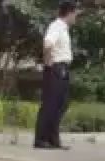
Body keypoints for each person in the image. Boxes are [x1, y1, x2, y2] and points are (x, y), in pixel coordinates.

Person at [35, 1, 78, 149]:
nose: (76, 17)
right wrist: (47, 60)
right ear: (70, 13)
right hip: (56, 68)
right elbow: (48, 43)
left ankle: (53, 138)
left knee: (62, 104)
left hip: (63, 69)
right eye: (75, 14)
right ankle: (41, 139)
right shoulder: (57, 26)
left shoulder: (63, 28)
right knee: (50, 104)